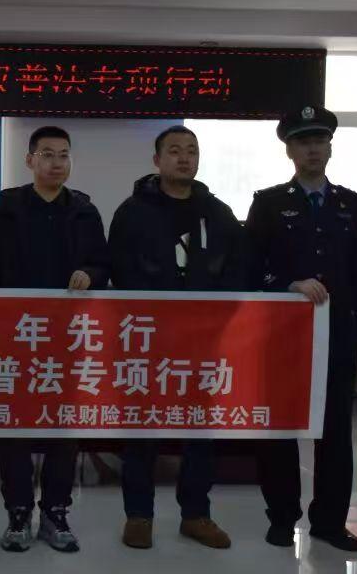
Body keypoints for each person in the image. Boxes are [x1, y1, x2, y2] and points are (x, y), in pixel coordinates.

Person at [109, 125, 244, 551]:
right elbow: (120, 270)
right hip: (148, 341)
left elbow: (238, 269)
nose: (184, 158)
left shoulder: (218, 213)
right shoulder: (132, 212)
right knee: (141, 429)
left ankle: (196, 514)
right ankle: (139, 515)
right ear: (157, 160)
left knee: (201, 431)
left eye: (191, 151)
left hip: (204, 342)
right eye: (174, 151)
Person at [248, 105, 357, 552]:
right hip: (284, 334)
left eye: (320, 141)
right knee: (281, 429)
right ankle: (282, 517)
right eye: (303, 142)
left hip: (338, 334)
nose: (313, 149)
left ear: (330, 148)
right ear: (290, 151)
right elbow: (251, 267)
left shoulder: (350, 206)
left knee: (336, 431)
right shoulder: (269, 203)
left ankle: (329, 522)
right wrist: (288, 284)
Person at [0, 125, 109, 554]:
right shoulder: (6, 209)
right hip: (16, 336)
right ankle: (18, 513)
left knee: (64, 427)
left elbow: (103, 264)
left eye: (63, 155)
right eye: (48, 154)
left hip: (68, 337)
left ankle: (56, 513)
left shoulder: (85, 211)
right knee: (15, 427)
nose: (57, 163)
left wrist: (90, 274)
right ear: (30, 160)